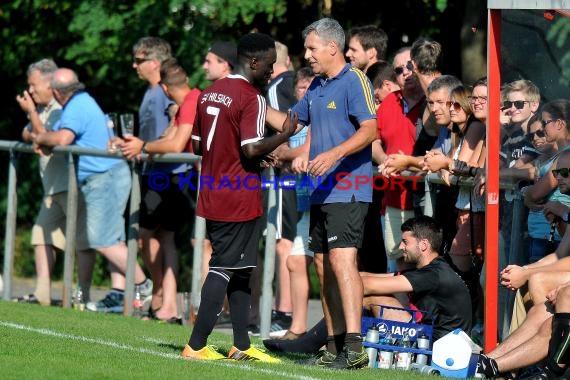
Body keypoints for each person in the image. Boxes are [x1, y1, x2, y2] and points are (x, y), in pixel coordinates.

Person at [266, 18, 377, 369]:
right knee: (322, 265)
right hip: (320, 191)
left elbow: (371, 130)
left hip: (350, 187)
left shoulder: (354, 80)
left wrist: (333, 154)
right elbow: (290, 124)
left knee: (343, 260)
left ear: (333, 47)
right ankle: (333, 345)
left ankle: (355, 347)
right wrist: (248, 108)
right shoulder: (317, 85)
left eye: (312, 48)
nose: (307, 54)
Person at [180, 32, 298, 362]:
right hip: (238, 193)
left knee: (242, 268)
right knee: (222, 266)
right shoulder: (251, 97)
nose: (272, 72)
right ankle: (196, 344)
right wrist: (282, 136)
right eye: (270, 65)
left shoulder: (208, 93)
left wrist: (253, 157)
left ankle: (241, 345)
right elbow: (249, 146)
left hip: (214, 189)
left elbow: (198, 146)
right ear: (254, 62)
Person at [33, 68, 152, 313]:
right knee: (112, 237)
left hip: (104, 177)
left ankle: (142, 284)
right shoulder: (82, 101)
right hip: (105, 176)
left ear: (56, 92)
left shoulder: (76, 105)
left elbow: (64, 139)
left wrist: (43, 139)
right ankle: (119, 294)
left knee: (102, 239)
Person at [119, 57, 201, 323]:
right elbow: (168, 137)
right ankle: (167, 302)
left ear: (165, 88)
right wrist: (141, 146)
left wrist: (142, 147)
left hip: (179, 178)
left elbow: (176, 145)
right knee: (164, 237)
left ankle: (172, 302)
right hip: (173, 177)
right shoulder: (188, 101)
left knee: (170, 238)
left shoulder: (191, 101)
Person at [362, 215, 472, 340]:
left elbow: (368, 286)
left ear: (424, 245)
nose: (400, 247)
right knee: (390, 291)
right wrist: (344, 274)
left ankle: (344, 341)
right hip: (435, 338)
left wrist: (342, 282)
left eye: (405, 242)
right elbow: (377, 278)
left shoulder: (432, 275)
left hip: (439, 346)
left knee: (374, 297)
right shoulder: (435, 268)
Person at [15, 58, 66, 306]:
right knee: (41, 235)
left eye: (33, 85)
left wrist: (33, 115)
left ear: (49, 82)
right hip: (52, 188)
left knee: (90, 243)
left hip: (70, 185)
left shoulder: (60, 107)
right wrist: (34, 122)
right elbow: (29, 133)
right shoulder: (44, 108)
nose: (30, 91)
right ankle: (42, 294)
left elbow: (44, 138)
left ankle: (123, 290)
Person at [263, 40, 297, 337]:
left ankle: (283, 312)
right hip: (299, 172)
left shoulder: (276, 87)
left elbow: (287, 129)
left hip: (287, 175)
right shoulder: (295, 82)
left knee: (283, 240)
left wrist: (279, 153)